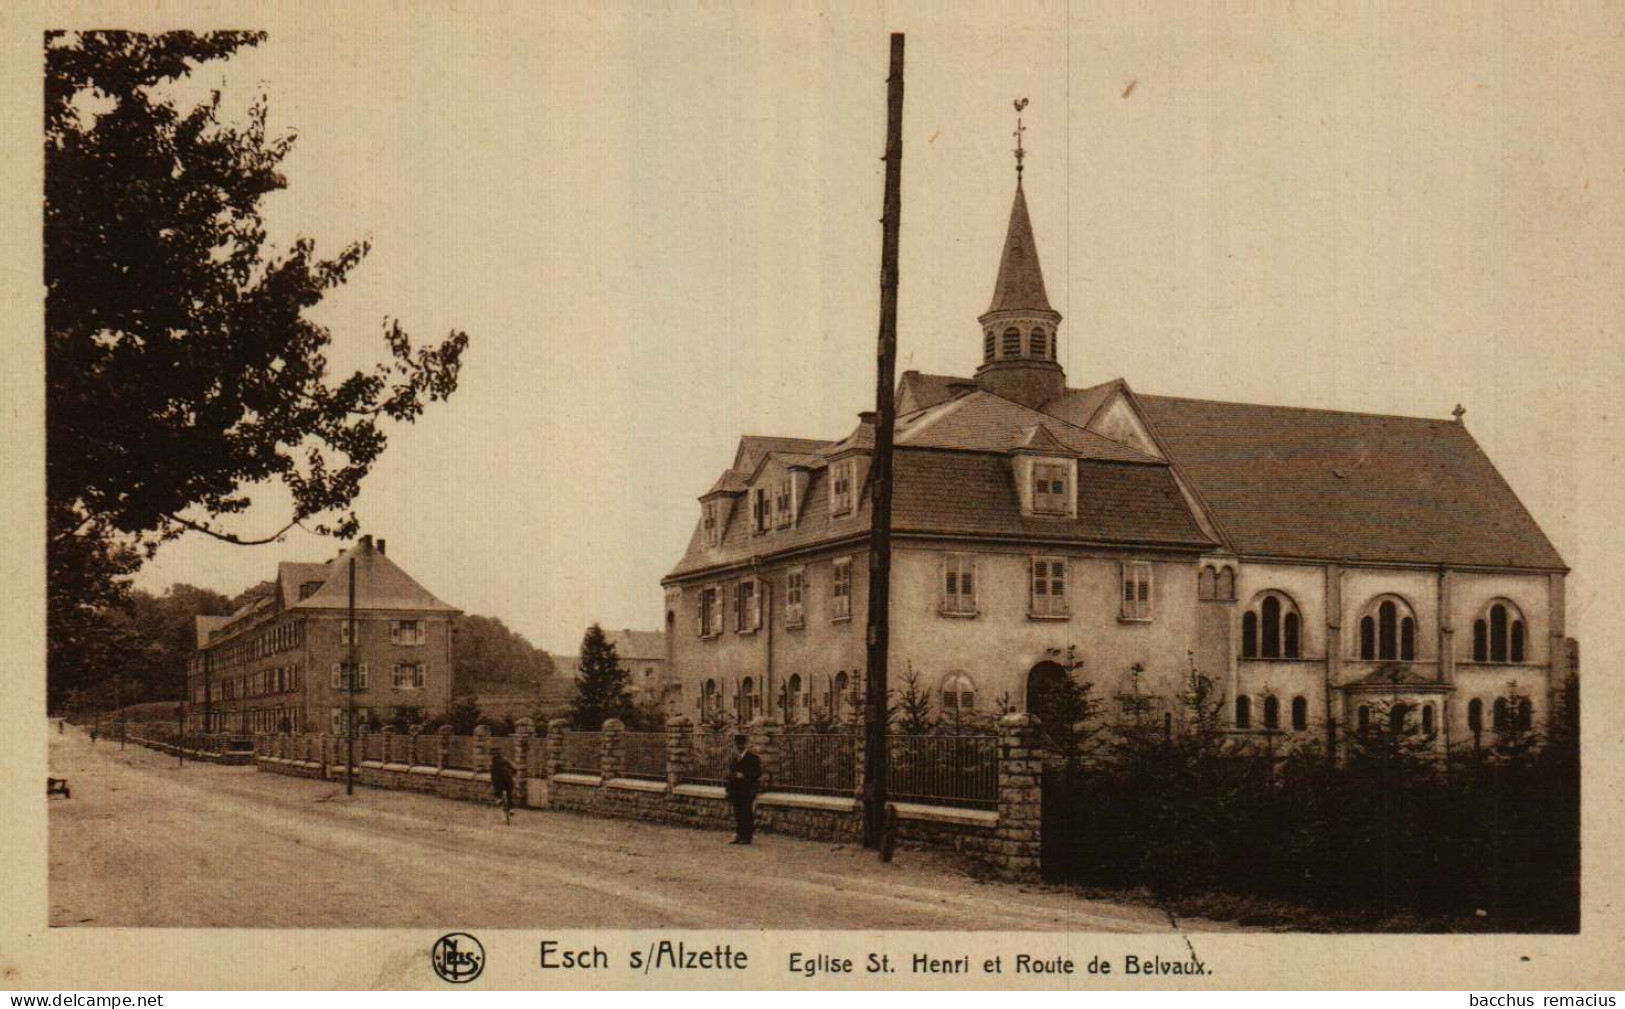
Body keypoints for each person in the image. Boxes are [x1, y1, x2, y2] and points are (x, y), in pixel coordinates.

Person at [724, 732, 761, 845]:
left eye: (741, 745)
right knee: (737, 813)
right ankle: (738, 835)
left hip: (747, 790)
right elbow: (730, 774)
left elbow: (757, 773)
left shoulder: (753, 758)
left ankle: (747, 836)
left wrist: (744, 775)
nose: (739, 748)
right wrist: (728, 789)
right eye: (737, 745)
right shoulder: (734, 758)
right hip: (736, 790)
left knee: (746, 813)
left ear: (745, 745)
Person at [488, 747, 517, 816]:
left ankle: (499, 799)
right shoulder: (506, 760)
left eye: (492, 755)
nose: (491, 756)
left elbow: (492, 774)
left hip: (499, 781)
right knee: (509, 795)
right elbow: (515, 769)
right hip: (508, 780)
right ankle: (511, 809)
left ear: (494, 755)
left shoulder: (492, 763)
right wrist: (512, 774)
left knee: (496, 786)